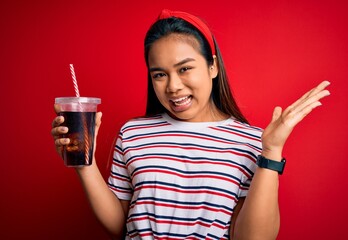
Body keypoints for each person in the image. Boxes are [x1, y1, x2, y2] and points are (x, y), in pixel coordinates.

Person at [51, 9, 330, 240]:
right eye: (159, 74)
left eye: (185, 68)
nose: (173, 86)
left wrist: (271, 151)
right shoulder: (133, 133)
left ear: (213, 67)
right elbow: (119, 225)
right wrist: (84, 166)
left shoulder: (251, 141)